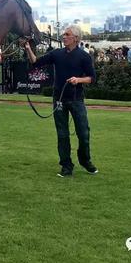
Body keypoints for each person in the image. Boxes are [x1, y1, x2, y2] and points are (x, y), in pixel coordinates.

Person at [24, 25, 98, 177]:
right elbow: (36, 62)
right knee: (62, 134)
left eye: (67, 34)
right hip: (59, 99)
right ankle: (66, 166)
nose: (63, 37)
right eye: (64, 34)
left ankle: (85, 160)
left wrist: (78, 79)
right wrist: (27, 48)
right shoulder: (57, 54)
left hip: (77, 100)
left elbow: (92, 78)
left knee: (83, 133)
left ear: (75, 38)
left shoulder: (84, 56)